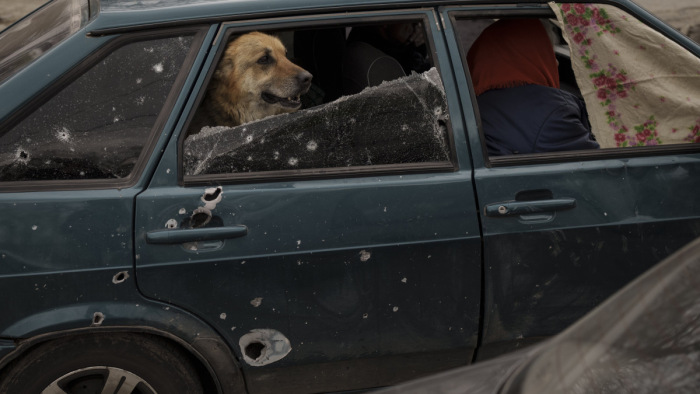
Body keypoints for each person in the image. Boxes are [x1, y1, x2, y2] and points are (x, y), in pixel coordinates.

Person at [467, 19, 599, 156]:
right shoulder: (553, 112)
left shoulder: (468, 104)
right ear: (529, 57)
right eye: (549, 54)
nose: (556, 62)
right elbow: (602, 166)